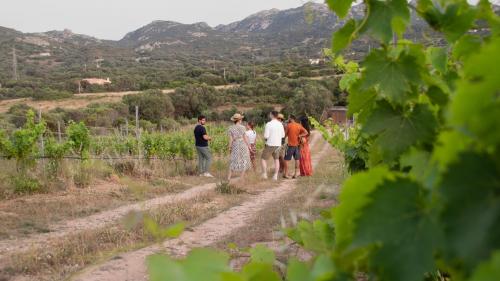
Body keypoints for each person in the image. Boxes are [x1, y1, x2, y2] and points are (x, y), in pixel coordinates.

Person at [261, 111, 285, 181]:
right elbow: (283, 135)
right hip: (278, 144)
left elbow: (266, 136)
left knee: (263, 159)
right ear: (277, 116)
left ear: (271, 115)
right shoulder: (280, 124)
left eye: (270, 114)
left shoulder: (268, 124)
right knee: (276, 160)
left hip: (270, 144)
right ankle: (275, 176)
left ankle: (265, 174)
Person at [227, 113, 252, 181]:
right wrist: (249, 146)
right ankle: (241, 177)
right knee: (244, 159)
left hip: (235, 144)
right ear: (239, 120)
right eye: (241, 119)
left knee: (233, 159)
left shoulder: (230, 128)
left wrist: (229, 147)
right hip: (242, 144)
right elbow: (245, 138)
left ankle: (229, 177)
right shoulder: (243, 127)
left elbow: (231, 139)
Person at [284, 115, 308, 179]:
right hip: (297, 146)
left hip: (290, 146)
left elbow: (285, 135)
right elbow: (306, 132)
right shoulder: (298, 125)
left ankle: (286, 174)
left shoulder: (288, 125)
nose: (288, 119)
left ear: (291, 119)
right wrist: (300, 135)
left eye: (289, 118)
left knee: (286, 160)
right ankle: (295, 174)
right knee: (297, 159)